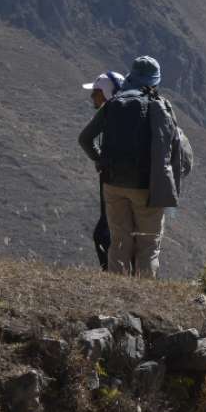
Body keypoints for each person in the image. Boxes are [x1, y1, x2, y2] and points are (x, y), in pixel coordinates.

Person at [78, 55, 184, 277]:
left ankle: (117, 297)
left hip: (112, 184)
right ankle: (143, 299)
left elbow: (85, 138)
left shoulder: (114, 103)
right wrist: (171, 187)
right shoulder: (160, 105)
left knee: (118, 243)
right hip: (146, 187)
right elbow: (175, 148)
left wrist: (100, 160)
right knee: (147, 246)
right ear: (154, 81)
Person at [81, 70, 125, 268]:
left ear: (107, 93)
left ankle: (111, 273)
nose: (92, 96)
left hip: (112, 180)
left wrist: (100, 159)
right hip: (134, 181)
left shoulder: (109, 113)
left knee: (103, 233)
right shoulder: (128, 114)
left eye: (96, 91)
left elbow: (84, 139)